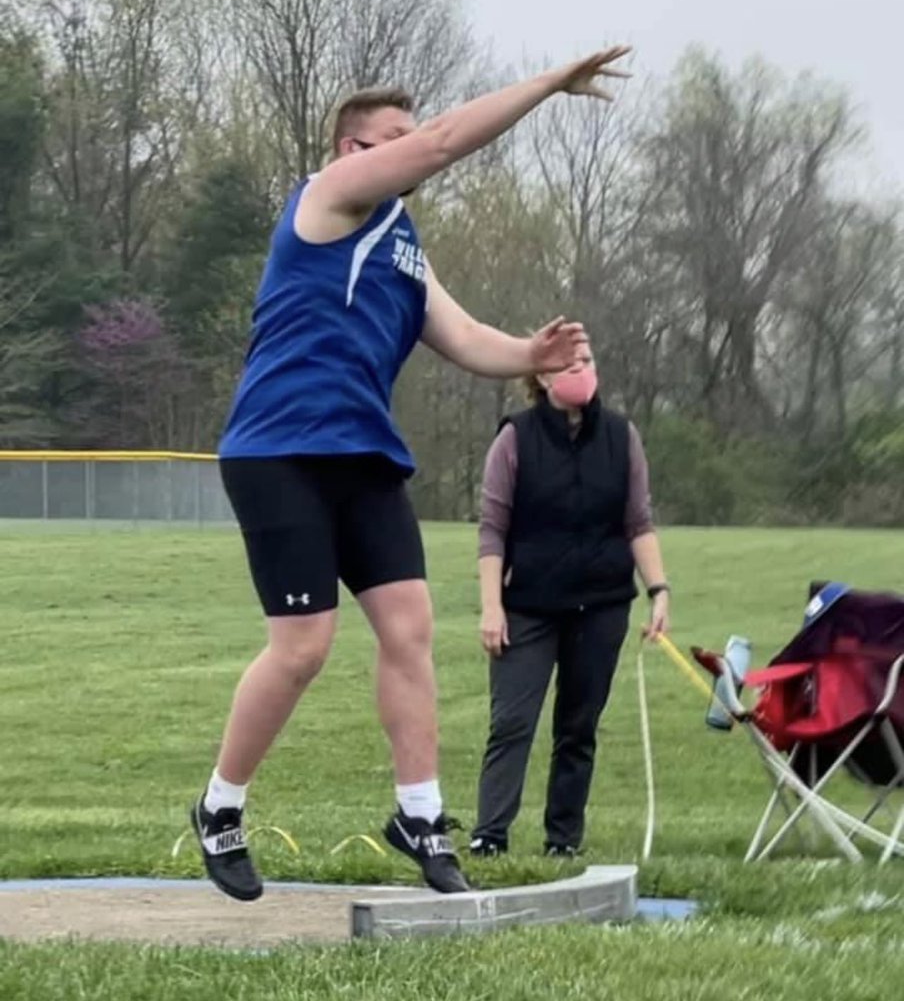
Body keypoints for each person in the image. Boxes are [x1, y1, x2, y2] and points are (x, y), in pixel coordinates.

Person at [189, 47, 632, 900]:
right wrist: (543, 85)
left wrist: (531, 356)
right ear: (353, 153)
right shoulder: (326, 201)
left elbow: (468, 341)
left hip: (363, 458)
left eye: (409, 134)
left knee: (410, 627)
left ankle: (420, 816)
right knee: (304, 646)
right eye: (392, 137)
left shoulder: (402, 246)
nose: (414, 148)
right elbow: (437, 144)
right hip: (280, 451)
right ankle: (219, 806)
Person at [469, 339, 670, 857]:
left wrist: (658, 590)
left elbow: (638, 522)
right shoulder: (516, 438)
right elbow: (493, 529)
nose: (580, 370)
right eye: (568, 363)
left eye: (587, 361)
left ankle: (563, 840)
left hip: (601, 604)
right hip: (529, 605)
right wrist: (492, 607)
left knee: (578, 727)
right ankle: (490, 833)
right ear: (542, 377)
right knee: (512, 722)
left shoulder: (622, 437)